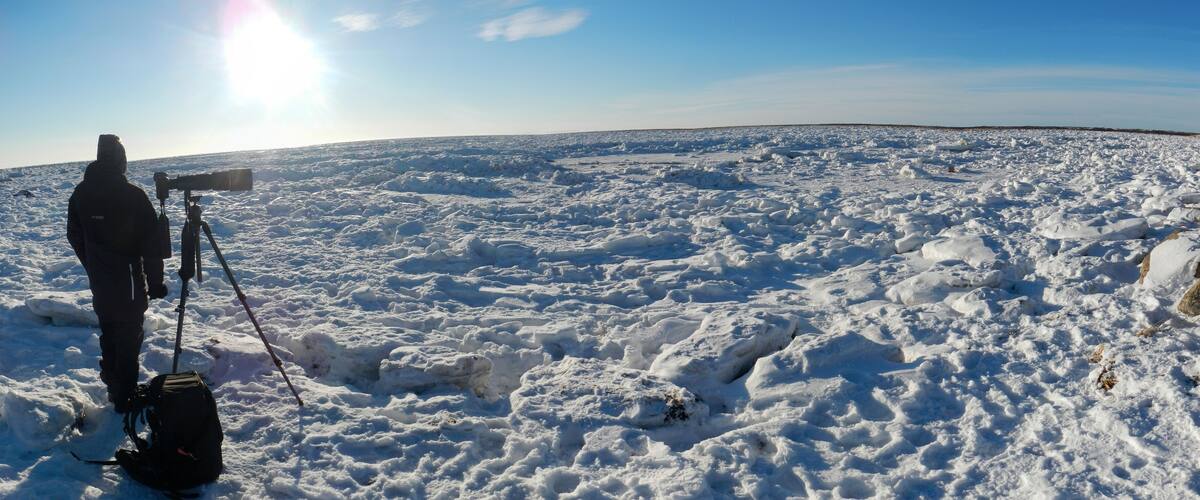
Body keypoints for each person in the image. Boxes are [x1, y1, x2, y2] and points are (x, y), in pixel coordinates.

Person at [67, 134, 168, 412]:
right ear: (121, 160)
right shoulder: (132, 195)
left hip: (100, 283)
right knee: (127, 339)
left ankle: (114, 387)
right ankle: (124, 398)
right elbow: (151, 246)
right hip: (128, 285)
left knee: (109, 333)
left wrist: (93, 262)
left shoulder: (80, 193)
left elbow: (73, 233)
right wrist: (156, 283)